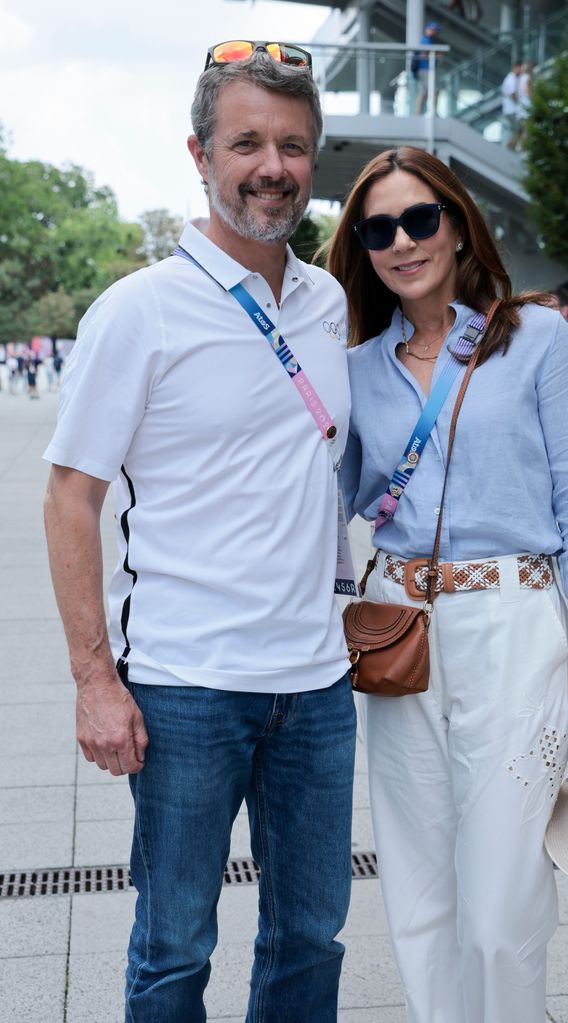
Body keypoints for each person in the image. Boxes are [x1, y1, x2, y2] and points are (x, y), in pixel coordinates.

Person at [43, 44, 356, 1023]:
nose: (273, 166)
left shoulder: (327, 301)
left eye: (294, 146)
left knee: (311, 937)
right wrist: (97, 679)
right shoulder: (139, 312)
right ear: (200, 152)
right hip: (183, 689)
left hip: (316, 687)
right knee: (173, 947)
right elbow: (69, 496)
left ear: (314, 158)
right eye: (248, 142)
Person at [327, 146, 568, 1023]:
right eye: (377, 228)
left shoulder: (540, 340)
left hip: (513, 624)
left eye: (420, 218)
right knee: (418, 891)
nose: (401, 241)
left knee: (500, 903)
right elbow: (321, 498)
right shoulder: (352, 368)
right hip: (397, 629)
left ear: (457, 225)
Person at [413, 22, 442, 115]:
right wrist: (436, 56)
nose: (433, 32)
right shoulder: (426, 40)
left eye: (435, 31)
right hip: (425, 69)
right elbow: (424, 55)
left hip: (425, 70)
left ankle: (419, 113)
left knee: (424, 92)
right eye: (432, 30)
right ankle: (433, 112)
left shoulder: (428, 40)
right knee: (435, 91)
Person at [501, 59, 522, 149]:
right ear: (516, 67)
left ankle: (510, 147)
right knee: (518, 130)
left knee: (517, 131)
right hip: (511, 110)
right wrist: (522, 102)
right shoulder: (511, 79)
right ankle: (509, 148)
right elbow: (513, 94)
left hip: (510, 110)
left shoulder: (512, 78)